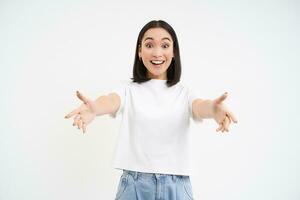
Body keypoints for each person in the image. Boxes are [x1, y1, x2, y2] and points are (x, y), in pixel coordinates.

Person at [65, 20, 237, 200]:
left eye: (165, 45)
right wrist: (95, 108)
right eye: (149, 45)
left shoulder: (185, 92)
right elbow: (110, 100)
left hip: (177, 188)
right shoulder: (128, 89)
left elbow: (201, 106)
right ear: (139, 52)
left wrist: (214, 110)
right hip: (134, 187)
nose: (157, 53)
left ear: (173, 52)